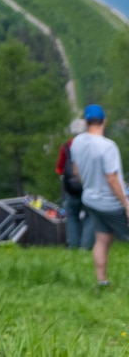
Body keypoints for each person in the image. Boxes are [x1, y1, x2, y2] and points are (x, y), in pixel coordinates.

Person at [69, 104, 129, 288]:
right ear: (104, 121)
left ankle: (102, 281)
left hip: (90, 199)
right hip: (111, 203)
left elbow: (76, 171)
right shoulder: (107, 147)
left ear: (86, 122)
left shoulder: (77, 142)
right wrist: (126, 204)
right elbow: (112, 179)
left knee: (102, 239)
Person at [60, 115, 90, 250]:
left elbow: (59, 168)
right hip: (88, 186)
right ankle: (86, 245)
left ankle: (73, 244)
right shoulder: (90, 145)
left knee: (72, 216)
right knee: (89, 215)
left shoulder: (66, 146)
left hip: (71, 188)